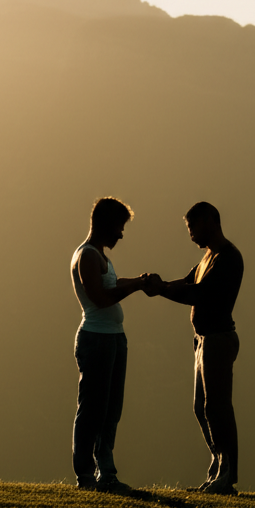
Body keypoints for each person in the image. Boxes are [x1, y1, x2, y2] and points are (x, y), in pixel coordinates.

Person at [145, 202, 243, 495]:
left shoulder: (227, 258)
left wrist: (161, 290)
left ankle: (227, 475)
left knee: (218, 407)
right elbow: (187, 282)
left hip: (218, 339)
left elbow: (197, 294)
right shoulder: (206, 258)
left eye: (193, 228)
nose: (190, 235)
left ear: (210, 222)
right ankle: (218, 469)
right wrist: (160, 285)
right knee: (202, 408)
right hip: (203, 341)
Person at [71, 196, 150, 492]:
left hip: (113, 339)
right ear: (104, 223)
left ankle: (107, 474)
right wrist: (134, 287)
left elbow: (110, 285)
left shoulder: (101, 256)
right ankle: (87, 476)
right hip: (97, 339)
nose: (121, 233)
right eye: (119, 226)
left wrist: (138, 282)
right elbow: (100, 298)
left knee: (111, 409)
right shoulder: (88, 256)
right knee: (92, 408)